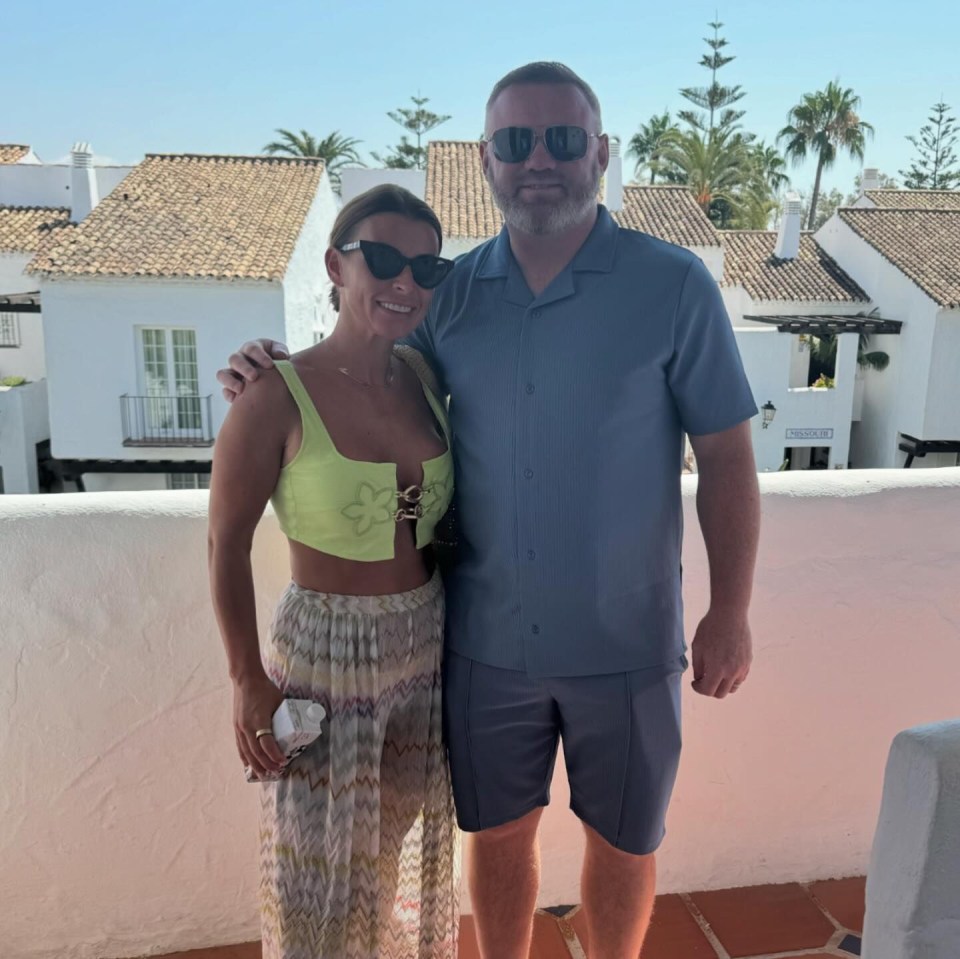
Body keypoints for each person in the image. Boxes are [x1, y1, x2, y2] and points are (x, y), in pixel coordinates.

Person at [220, 62, 761, 959]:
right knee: (498, 836)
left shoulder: (674, 286)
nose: (539, 159)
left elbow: (730, 458)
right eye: (516, 141)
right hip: (480, 644)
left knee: (628, 843)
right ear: (487, 159)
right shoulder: (449, 291)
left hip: (628, 642)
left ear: (601, 152)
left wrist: (731, 611)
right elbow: (366, 356)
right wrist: (268, 366)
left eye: (562, 139)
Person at [208, 184, 460, 959]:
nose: (405, 282)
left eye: (425, 267)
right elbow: (225, 541)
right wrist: (248, 677)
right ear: (334, 266)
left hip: (424, 645)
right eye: (381, 258)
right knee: (312, 872)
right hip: (322, 653)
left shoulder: (425, 377)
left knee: (389, 861)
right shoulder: (273, 394)